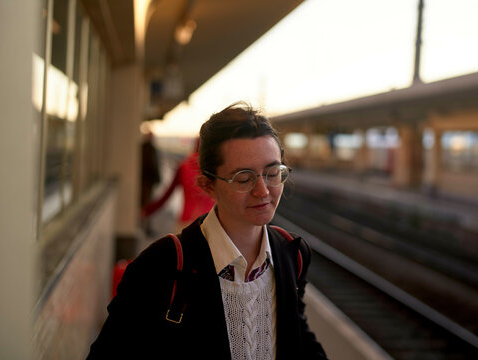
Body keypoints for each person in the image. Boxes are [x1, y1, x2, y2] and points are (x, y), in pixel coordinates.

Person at [87, 103, 327, 359]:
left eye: (272, 173)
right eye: (244, 178)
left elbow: (297, 335)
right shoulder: (160, 266)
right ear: (207, 185)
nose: (263, 191)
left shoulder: (294, 255)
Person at [141, 138, 215, 233]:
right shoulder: (215, 170)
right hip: (210, 223)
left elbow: (167, 195)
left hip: (186, 223)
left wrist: (147, 211)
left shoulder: (184, 166)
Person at [140, 130, 161, 234]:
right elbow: (153, 165)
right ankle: (145, 226)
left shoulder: (143, 148)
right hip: (147, 182)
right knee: (146, 204)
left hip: (145, 181)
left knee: (145, 203)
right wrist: (157, 178)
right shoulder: (149, 148)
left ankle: (144, 225)